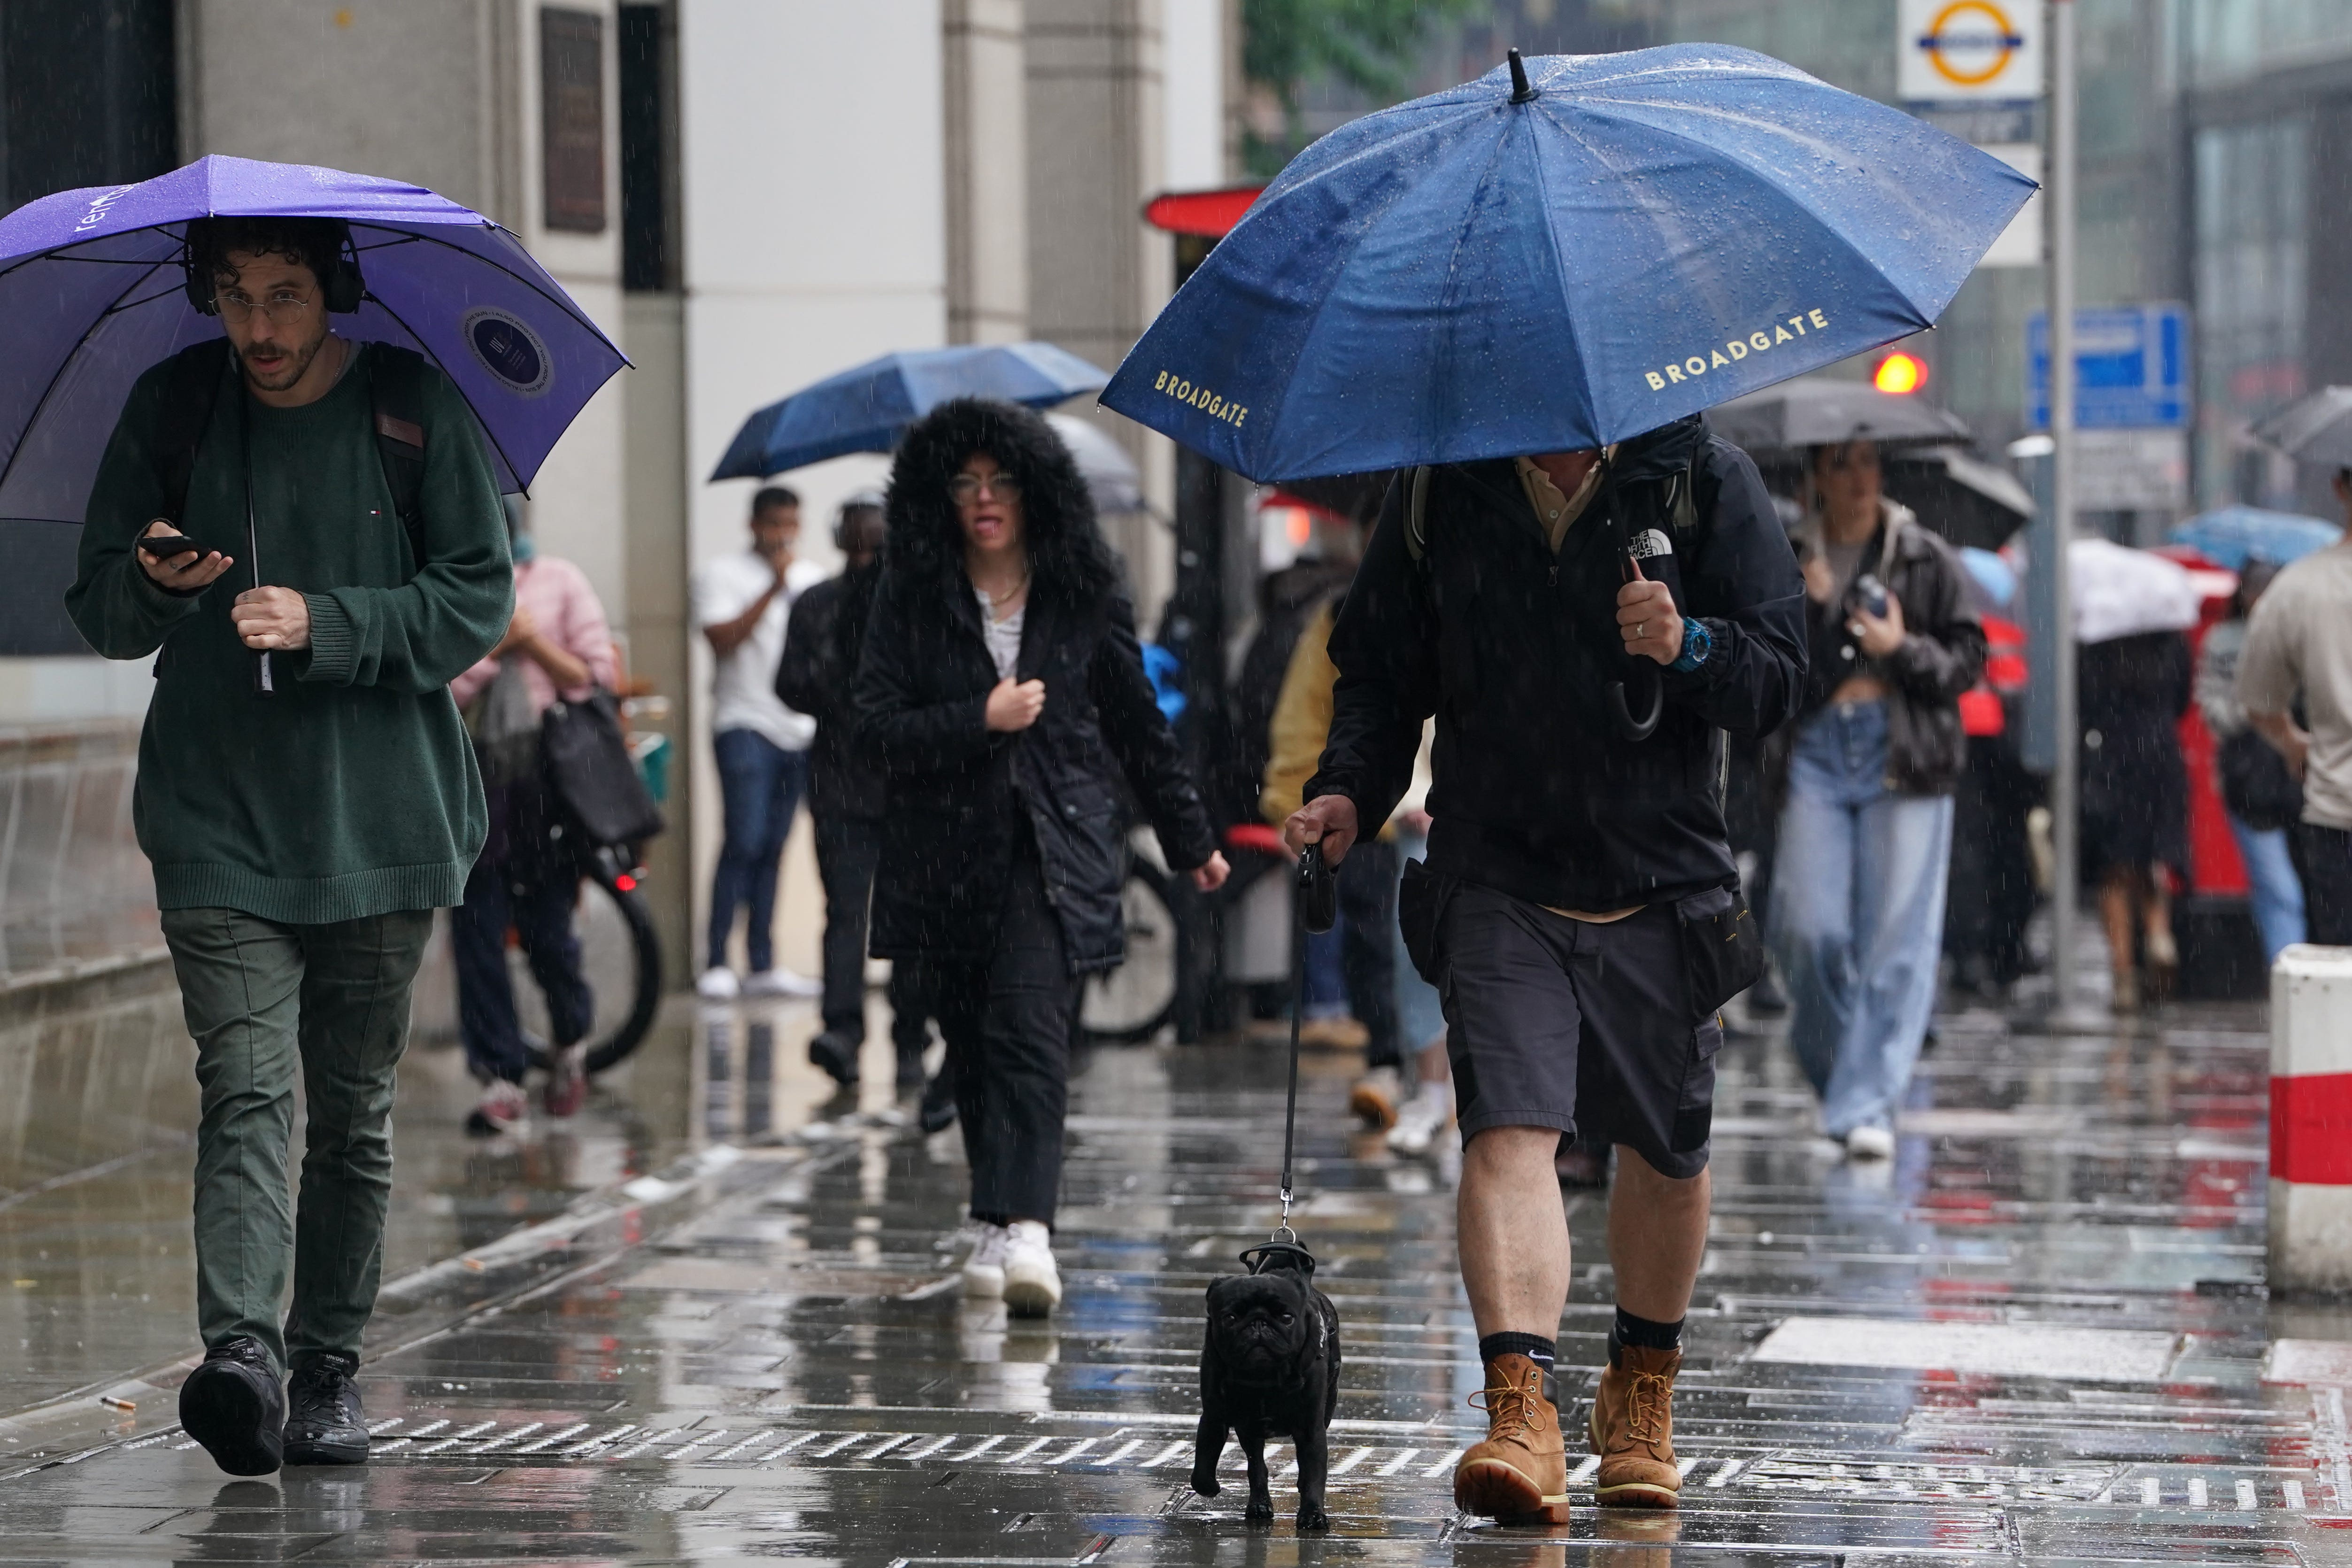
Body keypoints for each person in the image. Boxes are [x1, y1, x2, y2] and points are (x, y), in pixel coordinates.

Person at [1286, 417, 1804, 1518]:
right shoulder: (1443, 482)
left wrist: (1686, 645)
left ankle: (1640, 1390)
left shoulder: (1702, 480)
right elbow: (1379, 671)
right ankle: (1518, 1409)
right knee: (1507, 1128)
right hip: (1497, 873)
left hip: (1660, 877)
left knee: (1663, 1155)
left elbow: (1776, 677)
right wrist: (1348, 788)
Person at [64, 216, 510, 1475]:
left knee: (353, 1113)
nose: (256, 327)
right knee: (248, 1083)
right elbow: (100, 606)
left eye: (284, 296)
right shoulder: (174, 407)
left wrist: (332, 619)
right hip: (214, 812)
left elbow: (478, 594)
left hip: (380, 815)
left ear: (338, 292)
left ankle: (327, 1364)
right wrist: (156, 580)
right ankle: (242, 1356)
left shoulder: (413, 407)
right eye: (235, 296)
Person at [856, 399, 1227, 1316]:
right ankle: (992, 1215)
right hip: (942, 854)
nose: (984, 499)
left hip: (1053, 847)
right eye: (966, 483)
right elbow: (868, 729)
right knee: (971, 1037)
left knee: (1029, 1027)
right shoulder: (908, 595)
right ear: (938, 497)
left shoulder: (1080, 591)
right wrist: (973, 719)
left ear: (1035, 495)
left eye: (1001, 482)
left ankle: (1028, 1225)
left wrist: (1190, 841)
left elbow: (1137, 722)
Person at [1770, 440, 1982, 1153]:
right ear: (1813, 480)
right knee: (1808, 927)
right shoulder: (1787, 555)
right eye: (1841, 464)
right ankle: (1841, 1082)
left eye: (1868, 462)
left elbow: (1964, 663)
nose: (1859, 477)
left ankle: (1865, 1104)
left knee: (1896, 936)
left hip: (1904, 751)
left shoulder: (1922, 555)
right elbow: (1775, 671)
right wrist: (1812, 606)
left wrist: (1899, 647)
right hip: (1819, 751)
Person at [447, 500, 618, 1133]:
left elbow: (591, 678)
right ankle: (500, 1075)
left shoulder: (561, 581)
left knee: (549, 931)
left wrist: (533, 641)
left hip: (551, 782)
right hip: (476, 781)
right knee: (476, 932)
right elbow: (439, 682)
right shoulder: (453, 588)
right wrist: (498, 649)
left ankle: (570, 1040)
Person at [774, 492, 934, 1091]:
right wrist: (835, 685)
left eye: (876, 541)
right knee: (845, 914)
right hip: (841, 782)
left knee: (910, 917)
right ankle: (842, 1032)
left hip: (907, 787)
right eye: (856, 540)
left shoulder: (914, 607)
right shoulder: (817, 605)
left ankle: (911, 1034)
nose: (865, 552)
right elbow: (788, 684)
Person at [1261, 589, 1408, 1129]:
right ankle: (1388, 1064)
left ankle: (1402, 1070)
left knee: (1385, 948)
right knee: (1368, 944)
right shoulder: (1343, 616)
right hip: (1355, 812)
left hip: (1403, 811)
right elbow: (1308, 718)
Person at [693, 486, 827, 1000]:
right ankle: (716, 961)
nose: (783, 535)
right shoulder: (720, 575)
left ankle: (763, 963)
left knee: (774, 847)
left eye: (791, 524)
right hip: (743, 723)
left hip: (799, 730)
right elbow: (720, 639)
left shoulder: (812, 580)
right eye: (774, 524)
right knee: (742, 840)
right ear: (753, 525)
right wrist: (772, 588)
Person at [2240, 472, 2352, 945]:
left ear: (2340, 489)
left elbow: (2258, 701)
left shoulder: (2297, 588)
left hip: (2338, 817)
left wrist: (2292, 743)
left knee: (2340, 983)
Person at [2197, 557, 2305, 962]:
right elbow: (2213, 709)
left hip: (2303, 777)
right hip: (2249, 778)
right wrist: (2255, 702)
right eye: (2253, 589)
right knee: (2278, 887)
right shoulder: (2224, 640)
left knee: (2296, 886)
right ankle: (2289, 973)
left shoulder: (2301, 635)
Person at [2080, 627, 2193, 1009]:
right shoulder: (2170, 638)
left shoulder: (2098, 639)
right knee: (2153, 855)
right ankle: (2159, 934)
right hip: (2162, 751)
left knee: (2113, 868)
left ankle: (2123, 972)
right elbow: (2182, 698)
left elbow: (2084, 699)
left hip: (2112, 756)